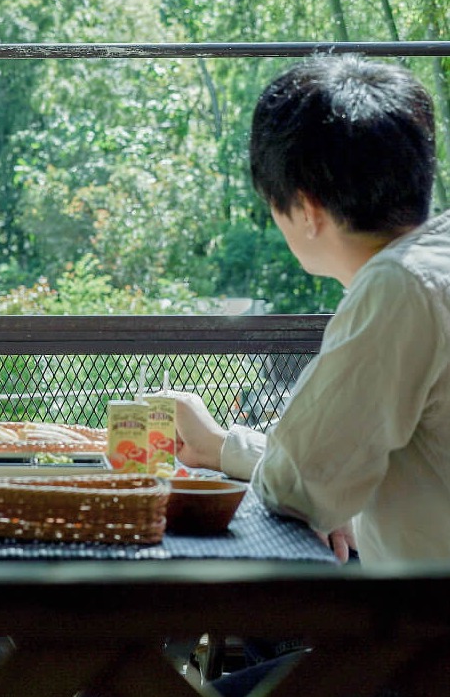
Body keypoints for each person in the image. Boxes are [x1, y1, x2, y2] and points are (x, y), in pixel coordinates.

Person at [169, 53, 449, 568]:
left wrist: (317, 497)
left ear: (306, 209)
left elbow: (296, 490)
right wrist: (219, 446)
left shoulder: (401, 289)